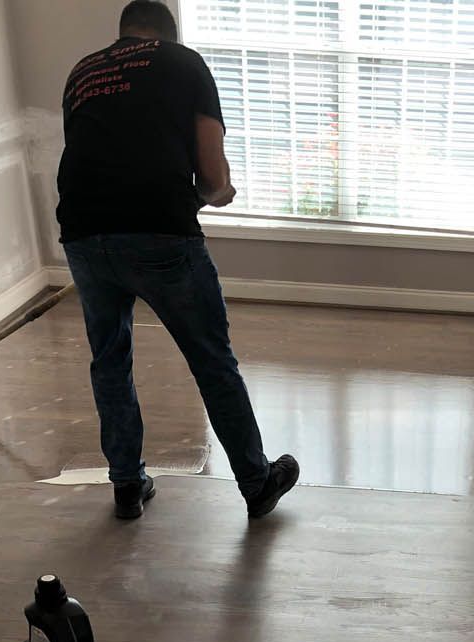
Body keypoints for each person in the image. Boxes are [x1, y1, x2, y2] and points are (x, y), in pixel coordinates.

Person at [57, 0, 299, 520]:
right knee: (212, 361)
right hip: (160, 233)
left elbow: (93, 153)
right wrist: (221, 190)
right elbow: (211, 178)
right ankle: (258, 485)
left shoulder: (82, 71)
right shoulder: (183, 62)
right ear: (169, 33)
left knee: (110, 360)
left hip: (82, 235)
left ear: (123, 35)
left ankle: (126, 484)